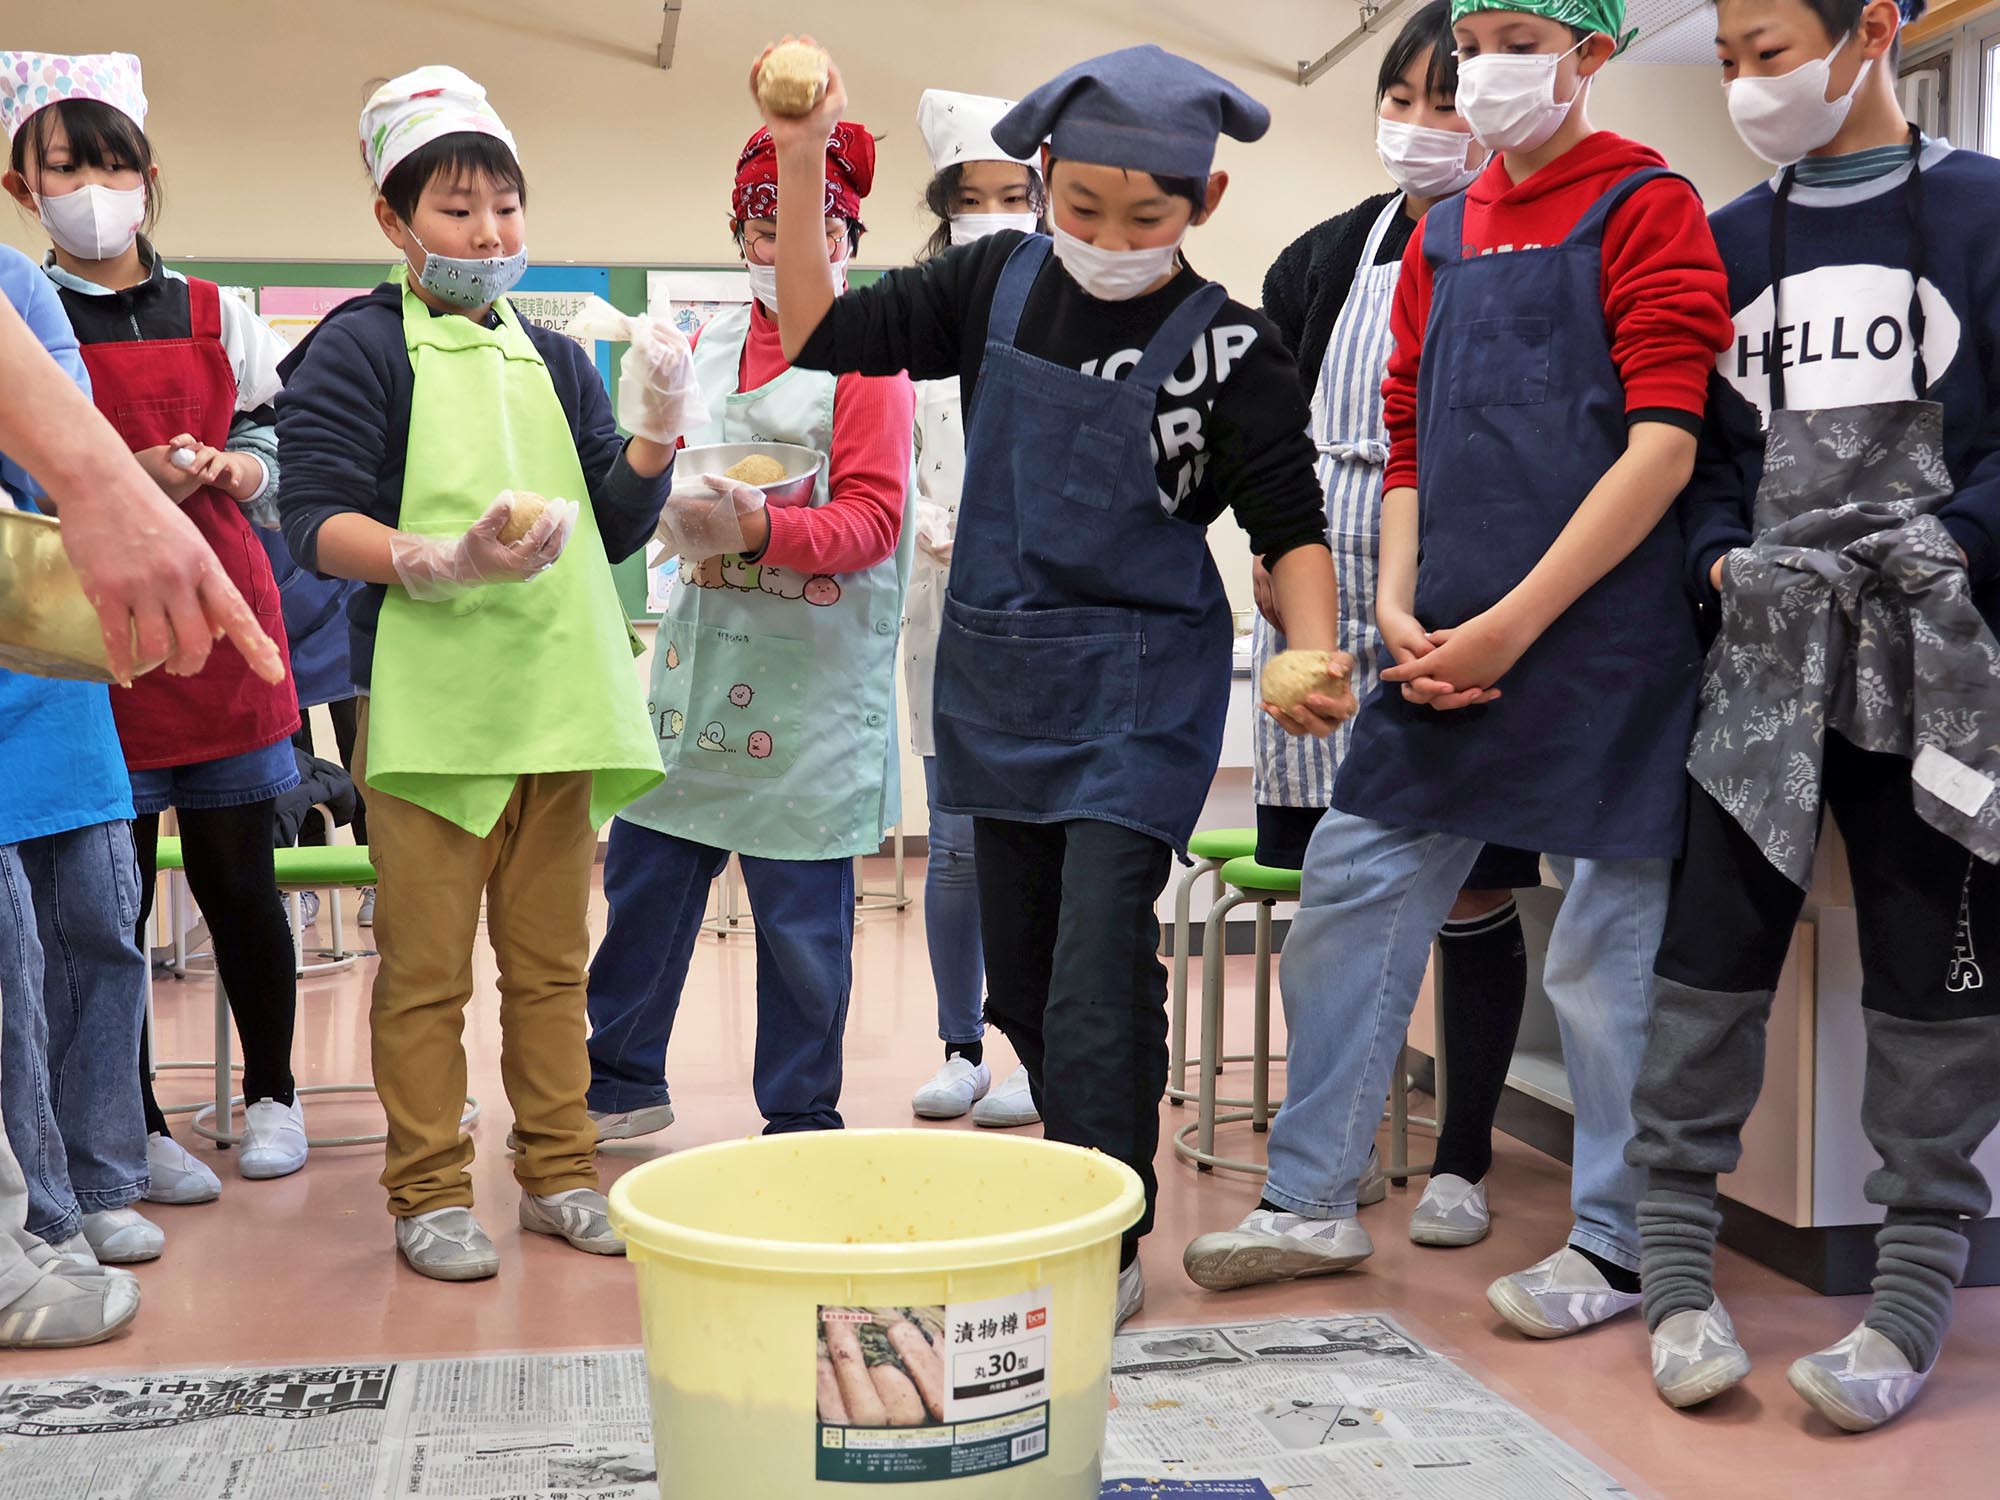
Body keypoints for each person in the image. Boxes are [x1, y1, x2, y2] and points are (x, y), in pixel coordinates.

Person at [756, 40, 1351, 1328]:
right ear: (1039, 180)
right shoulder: (994, 284)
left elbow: (1286, 520)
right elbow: (817, 326)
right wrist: (804, 156)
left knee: (1093, 964)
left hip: (1139, 690)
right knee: (1019, 980)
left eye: (1147, 216)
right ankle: (1082, 1157)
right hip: (1000, 675)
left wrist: (1306, 643)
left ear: (1205, 205)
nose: (1108, 235)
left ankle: (1106, 1224)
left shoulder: (1229, 348)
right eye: (1080, 206)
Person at [1183, 0, 1734, 1342]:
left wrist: (1515, 624)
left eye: (1515, 38)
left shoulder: (1653, 207)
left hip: (1604, 639)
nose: (1484, 67)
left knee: (1607, 954)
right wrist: (1400, 601)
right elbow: (1412, 435)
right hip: (1442, 631)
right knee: (1355, 884)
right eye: (1472, 34)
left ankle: (1612, 1240)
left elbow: (1663, 448)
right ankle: (1312, 1195)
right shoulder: (1444, 230)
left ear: (1591, 55)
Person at [1626, 0, 2000, 1431]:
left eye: (1769, 50)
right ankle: (1672, 1276)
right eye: (1724, 59)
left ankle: (1907, 1307)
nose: (1744, 84)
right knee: (1709, 955)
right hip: (1765, 660)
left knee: (1937, 963)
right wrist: (1721, 557)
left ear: (1878, 31)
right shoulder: (1716, 244)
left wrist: (1959, 537)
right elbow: (1693, 451)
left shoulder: (1984, 213)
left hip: (1942, 658)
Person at [277, 66, 680, 1281]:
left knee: (555, 968)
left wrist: (656, 427)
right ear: (394, 222)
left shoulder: (553, 360)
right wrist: (431, 558)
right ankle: (427, 1192)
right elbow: (312, 518)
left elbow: (612, 524)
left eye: (505, 207)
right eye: (458, 211)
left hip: (556, 705)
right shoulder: (356, 349)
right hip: (430, 716)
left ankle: (559, 1170)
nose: (489, 234)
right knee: (426, 976)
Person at [1253, 0, 1537, 1248]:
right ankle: (1337, 1158)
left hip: (1461, 602)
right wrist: (1276, 570)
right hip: (1323, 592)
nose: (1421, 128)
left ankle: (1463, 1155)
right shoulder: (1321, 258)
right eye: (1401, 101)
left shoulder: (1531, 249)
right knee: (1333, 888)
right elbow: (1264, 449)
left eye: (1446, 101)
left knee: (1468, 894)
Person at [1, 51, 307, 1204]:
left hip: (222, 629)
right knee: (105, 910)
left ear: (149, 173)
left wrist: (236, 463)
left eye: (112, 162)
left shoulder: (219, 312)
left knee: (241, 882)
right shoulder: (22, 318)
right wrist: (105, 479)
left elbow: (280, 447)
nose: (94, 187)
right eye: (66, 167)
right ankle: (134, 1125)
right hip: (94, 637)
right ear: (25, 187)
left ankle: (273, 1094)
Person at [583, 121, 915, 1143]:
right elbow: (641, 480)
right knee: (643, 883)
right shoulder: (703, 348)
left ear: (850, 240)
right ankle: (621, 1084)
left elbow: (872, 522)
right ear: (739, 236)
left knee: (802, 927)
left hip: (814, 694)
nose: (788, 252)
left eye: (817, 229)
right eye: (767, 229)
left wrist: (760, 524)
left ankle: (801, 1115)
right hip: (699, 670)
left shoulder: (871, 362)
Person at [0, 241, 148, 1349]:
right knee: (11, 972)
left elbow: (62, 443)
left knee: (97, 936)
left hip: (39, 651)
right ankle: (41, 1213)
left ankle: (94, 1184)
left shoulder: (15, 283)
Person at [904, 88, 1044, 1128]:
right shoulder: (913, 316)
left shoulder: (1073, 308)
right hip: (942, 602)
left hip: (1046, 610)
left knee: (1035, 840)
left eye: (1013, 195)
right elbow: (870, 445)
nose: (992, 212)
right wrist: (919, 517)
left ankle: (1036, 1048)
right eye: (972, 197)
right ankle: (962, 1048)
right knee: (950, 843)